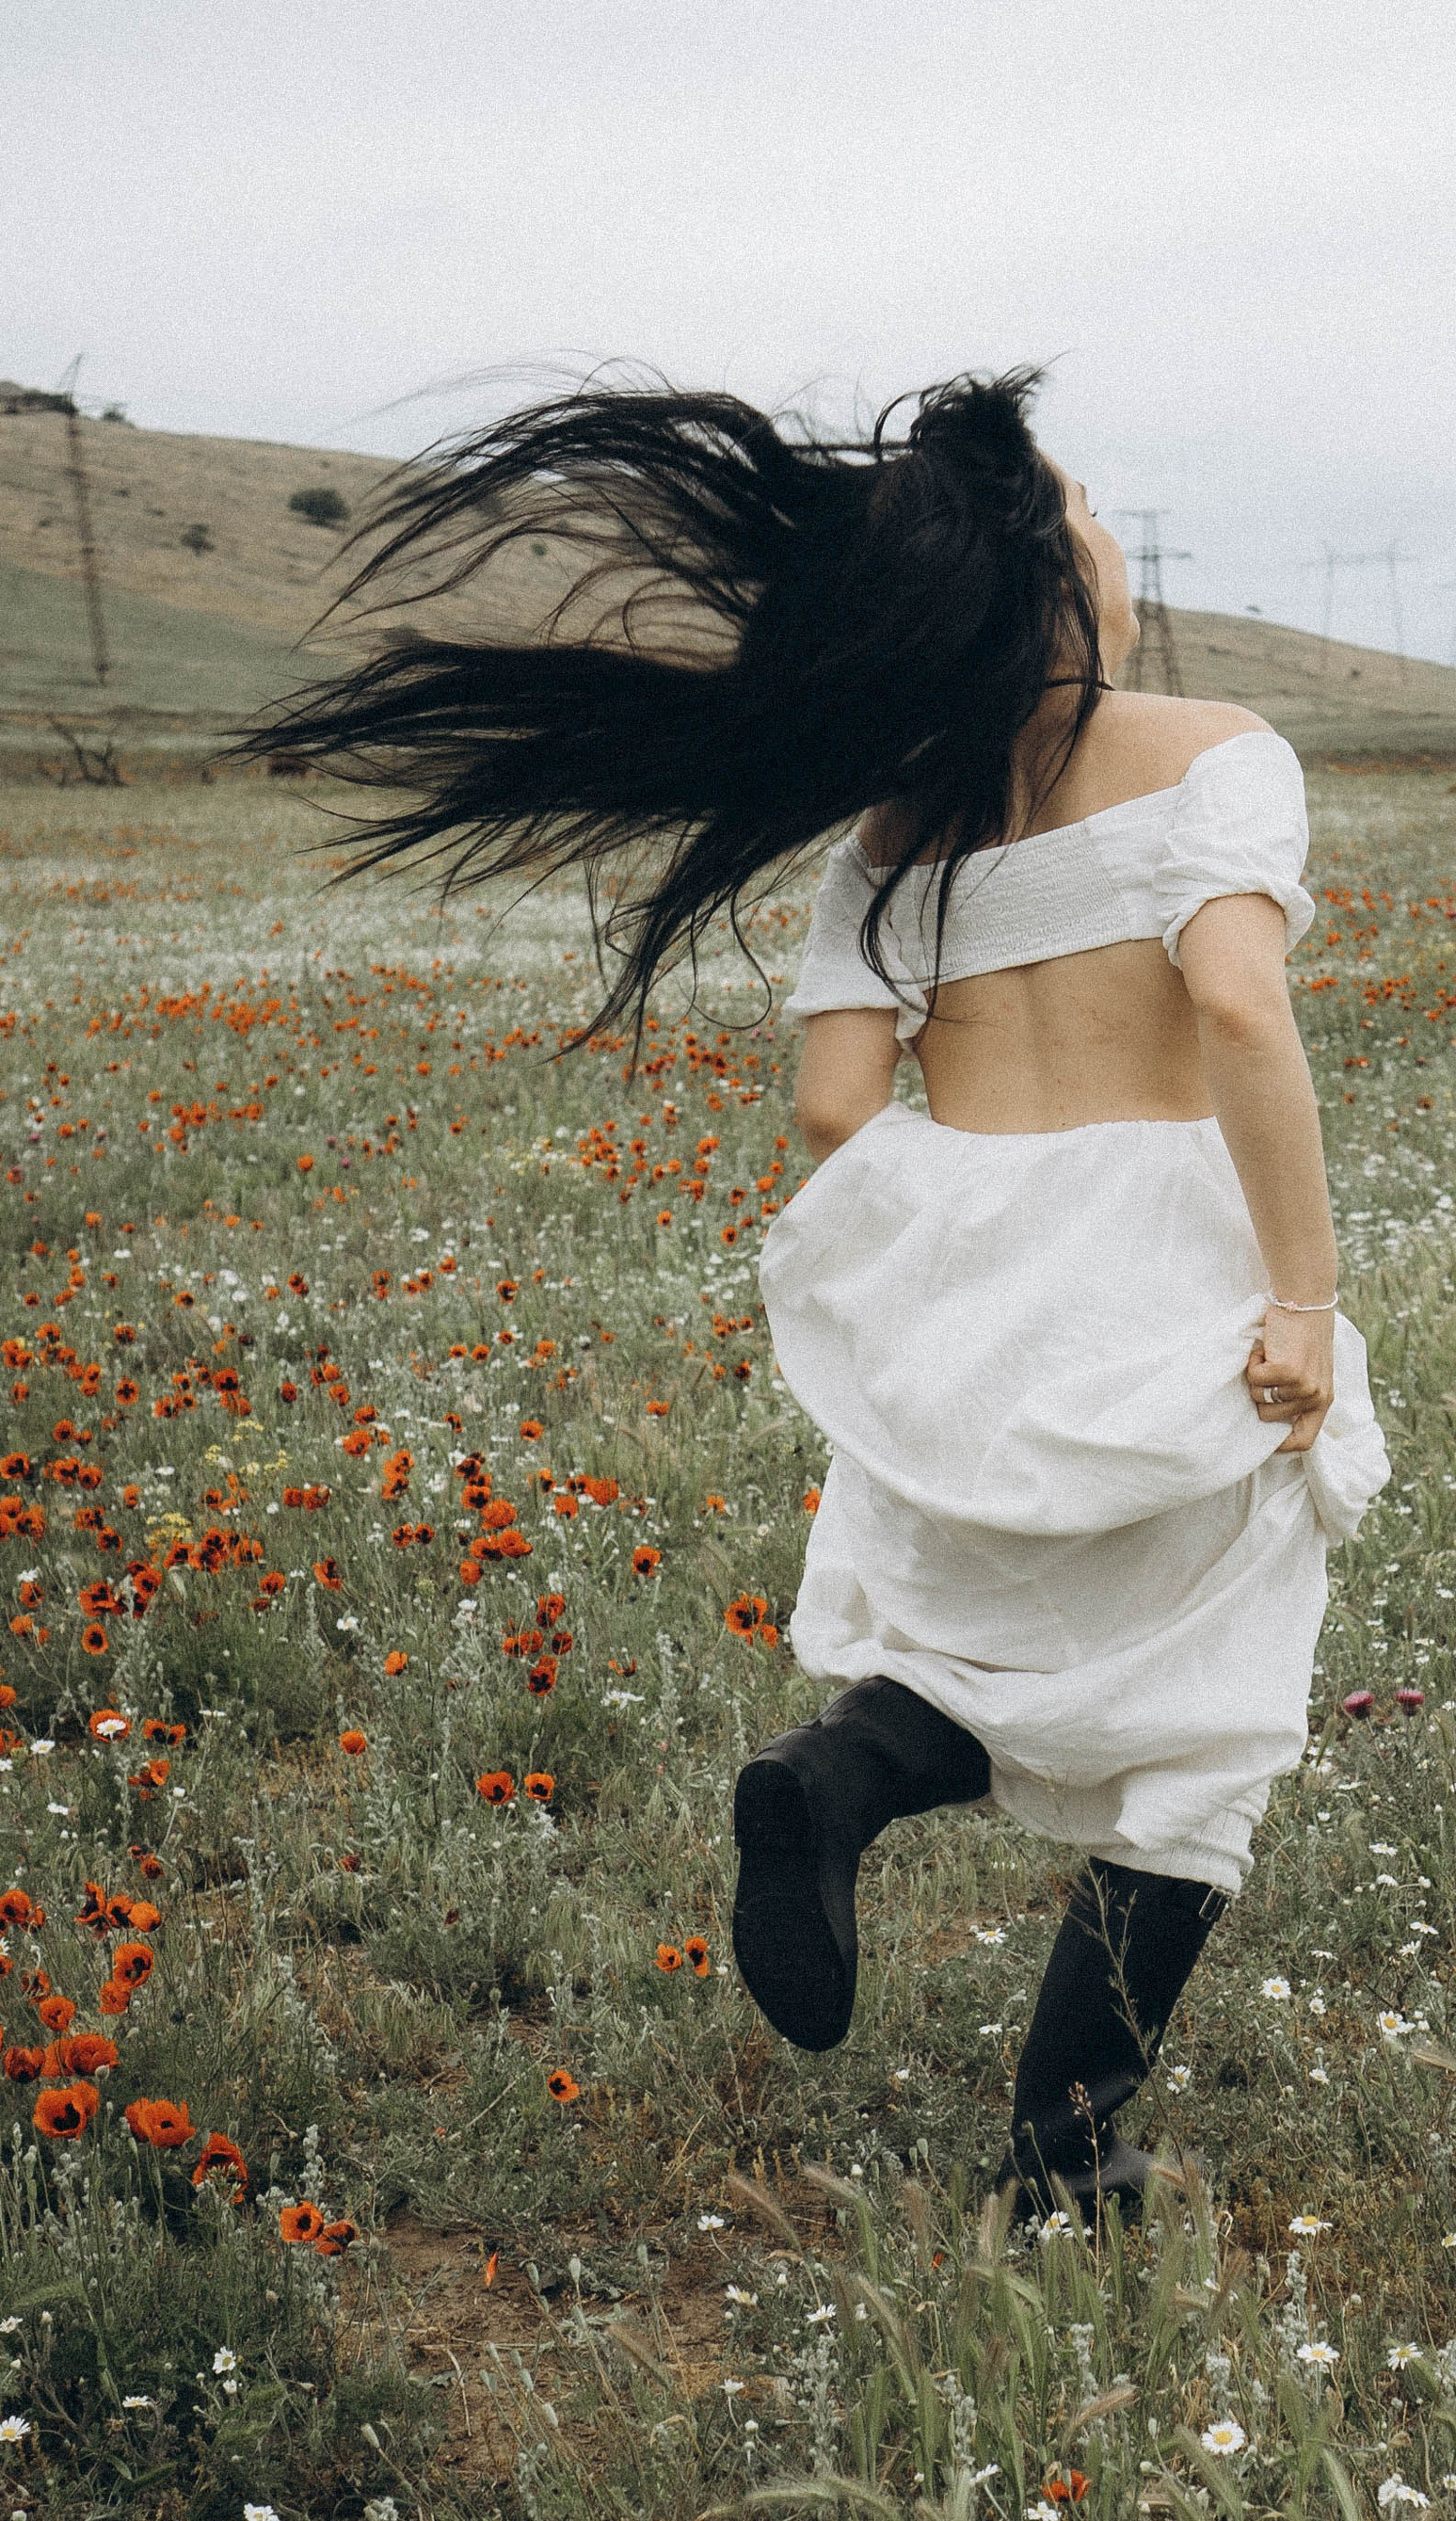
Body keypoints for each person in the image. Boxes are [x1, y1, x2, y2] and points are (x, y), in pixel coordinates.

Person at [238, 366, 1388, 2213]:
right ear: (1041, 562)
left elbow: (836, 1100)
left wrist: (965, 1247)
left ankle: (841, 1781)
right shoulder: (1212, 751)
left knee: (963, 1647)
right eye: (1081, 495)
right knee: (1209, 1725)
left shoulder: (887, 839)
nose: (1100, 516)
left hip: (964, 1277)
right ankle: (1062, 2161)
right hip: (1171, 1261)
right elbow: (1240, 1003)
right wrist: (1304, 1298)